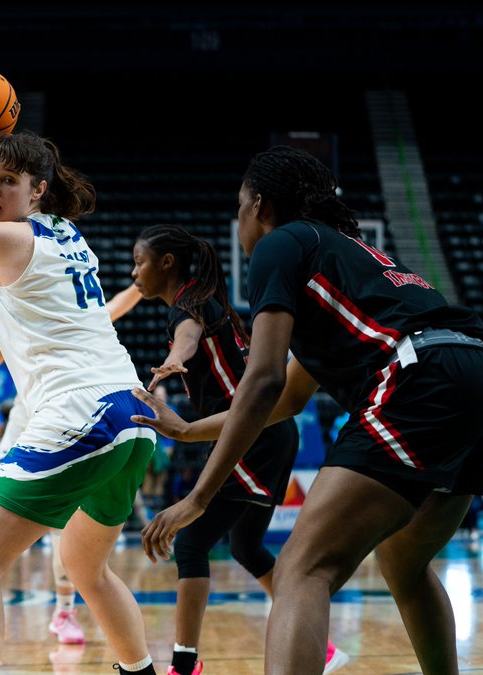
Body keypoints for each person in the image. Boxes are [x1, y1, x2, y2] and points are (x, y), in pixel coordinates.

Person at [132, 145, 483, 675]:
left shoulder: (279, 244)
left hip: (421, 375)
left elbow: (261, 381)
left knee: (300, 570)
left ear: (260, 205)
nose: (237, 218)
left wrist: (198, 497)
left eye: (240, 205)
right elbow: (288, 396)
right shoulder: (339, 254)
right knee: (404, 562)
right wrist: (191, 429)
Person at [0, 78, 159, 675]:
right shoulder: (65, 235)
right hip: (133, 415)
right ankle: (140, 671)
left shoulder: (12, 240)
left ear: (38, 190)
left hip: (80, 413)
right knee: (87, 568)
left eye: (7, 181)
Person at [128, 223, 345, 675]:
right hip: (271, 431)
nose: (133, 273)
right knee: (246, 545)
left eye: (139, 262)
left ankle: (184, 665)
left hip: (251, 435)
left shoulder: (186, 306)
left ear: (166, 263)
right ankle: (319, 646)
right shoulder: (204, 300)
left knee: (190, 543)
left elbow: (186, 335)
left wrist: (177, 358)